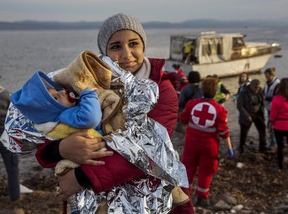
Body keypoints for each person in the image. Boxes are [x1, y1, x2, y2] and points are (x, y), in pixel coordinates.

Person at [3, 13, 194, 213]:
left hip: (145, 198)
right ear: (103, 51)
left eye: (133, 43)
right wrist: (60, 149)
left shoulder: (162, 89)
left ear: (143, 46)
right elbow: (54, 127)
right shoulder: (87, 85)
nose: (127, 54)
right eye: (115, 46)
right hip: (92, 201)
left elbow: (151, 150)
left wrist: (80, 177)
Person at [180, 77, 234, 207]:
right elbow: (223, 132)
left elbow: (183, 120)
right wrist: (230, 148)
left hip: (191, 143)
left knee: (188, 168)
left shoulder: (192, 104)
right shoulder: (219, 110)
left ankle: (184, 196)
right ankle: (202, 198)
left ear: (202, 90)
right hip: (209, 146)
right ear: (215, 92)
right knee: (206, 170)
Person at [0, 86, 24, 214]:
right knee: (12, 168)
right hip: (5, 134)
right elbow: (16, 117)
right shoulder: (8, 94)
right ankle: (15, 198)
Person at [237, 79, 267, 154]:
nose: (257, 89)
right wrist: (247, 115)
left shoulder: (260, 91)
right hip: (247, 114)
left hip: (258, 113)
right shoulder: (243, 92)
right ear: (251, 86)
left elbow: (262, 102)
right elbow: (239, 106)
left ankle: (262, 147)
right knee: (244, 133)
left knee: (262, 129)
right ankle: (241, 147)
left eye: (258, 87)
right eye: (255, 87)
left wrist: (262, 112)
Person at [269, 78, 288, 170]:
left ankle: (280, 166)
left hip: (279, 125)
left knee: (280, 147)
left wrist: (271, 122)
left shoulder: (276, 99)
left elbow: (273, 113)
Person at [263, 67, 280, 149]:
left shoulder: (277, 84)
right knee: (270, 125)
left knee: (273, 125)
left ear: (272, 75)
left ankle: (274, 143)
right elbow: (263, 92)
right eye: (265, 76)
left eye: (267, 76)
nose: (266, 77)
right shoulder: (267, 83)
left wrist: (267, 97)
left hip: (275, 108)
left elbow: (278, 97)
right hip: (268, 108)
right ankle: (272, 141)